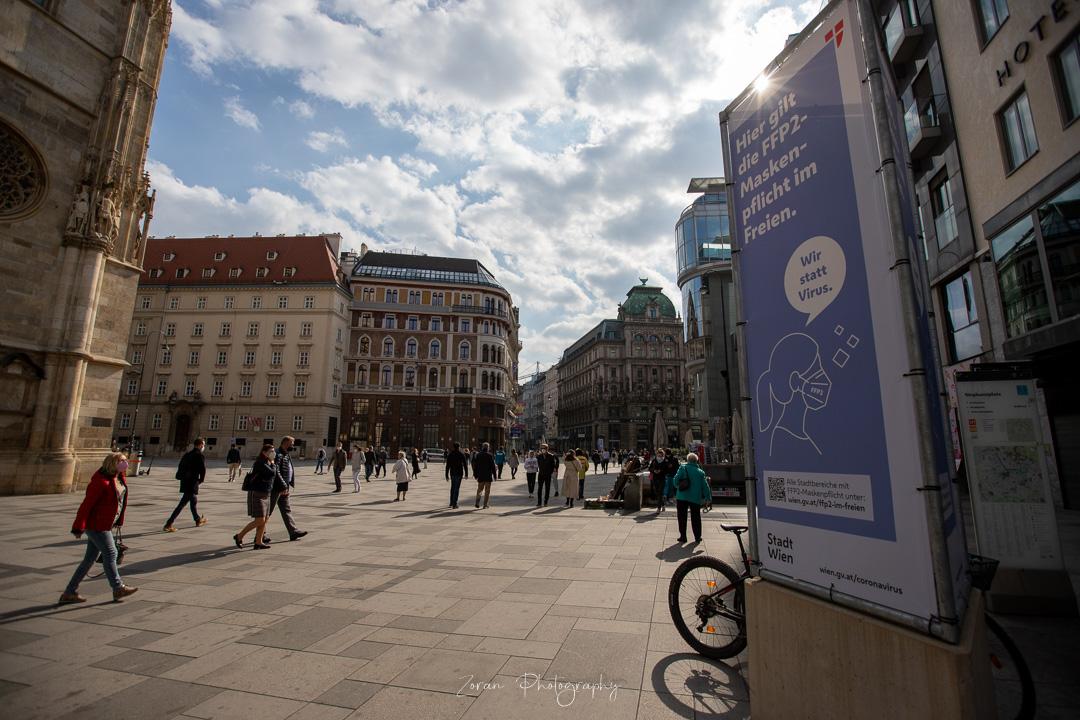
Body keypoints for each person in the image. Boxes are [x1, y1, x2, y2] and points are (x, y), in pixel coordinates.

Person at [59, 452, 138, 603]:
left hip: (106, 523)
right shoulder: (100, 482)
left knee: (89, 560)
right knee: (111, 553)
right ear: (112, 463)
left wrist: (118, 520)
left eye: (125, 460)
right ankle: (118, 587)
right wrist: (78, 527)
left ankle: (69, 593)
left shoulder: (119, 479)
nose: (125, 463)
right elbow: (86, 505)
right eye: (122, 460)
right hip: (96, 524)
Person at [233, 444, 280, 549]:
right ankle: (239, 536)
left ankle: (258, 541)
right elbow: (272, 473)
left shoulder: (269, 462)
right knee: (259, 520)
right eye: (270, 451)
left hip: (266, 493)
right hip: (257, 493)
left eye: (273, 451)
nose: (273, 453)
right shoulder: (259, 463)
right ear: (264, 453)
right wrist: (273, 463)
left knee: (265, 518)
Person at [164, 438, 207, 532]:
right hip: (192, 482)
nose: (203, 447)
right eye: (203, 445)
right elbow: (202, 469)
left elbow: (180, 466)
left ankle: (197, 519)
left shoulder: (187, 454)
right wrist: (201, 480)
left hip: (185, 480)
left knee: (193, 500)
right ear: (200, 445)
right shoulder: (199, 455)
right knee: (182, 503)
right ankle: (169, 523)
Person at [270, 436, 308, 541]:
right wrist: (282, 485)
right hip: (277, 488)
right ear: (285, 444)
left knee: (286, 509)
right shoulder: (278, 454)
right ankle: (260, 535)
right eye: (291, 444)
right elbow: (276, 471)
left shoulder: (286, 454)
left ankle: (293, 532)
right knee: (268, 511)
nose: (292, 446)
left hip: (284, 487)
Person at [673, 453, 711, 543]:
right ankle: (697, 537)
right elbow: (705, 486)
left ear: (687, 460)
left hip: (682, 496)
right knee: (696, 517)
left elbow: (675, 479)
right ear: (696, 461)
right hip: (695, 497)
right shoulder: (700, 472)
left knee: (682, 516)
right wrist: (708, 498)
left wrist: (677, 486)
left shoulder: (683, 468)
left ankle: (683, 536)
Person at [472, 443, 497, 509]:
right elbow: (492, 466)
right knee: (487, 490)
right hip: (488, 474)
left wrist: (475, 474)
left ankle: (478, 497)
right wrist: (495, 475)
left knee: (480, 488)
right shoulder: (490, 455)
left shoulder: (479, 455)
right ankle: (485, 504)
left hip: (480, 474)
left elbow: (475, 466)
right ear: (488, 448)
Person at [444, 441, 468, 509]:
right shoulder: (461, 454)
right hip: (459, 473)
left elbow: (447, 466)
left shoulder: (450, 455)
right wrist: (466, 474)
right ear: (459, 447)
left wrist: (446, 475)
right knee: (457, 488)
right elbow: (465, 465)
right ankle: (455, 503)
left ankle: (451, 502)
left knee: (452, 487)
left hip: (452, 473)